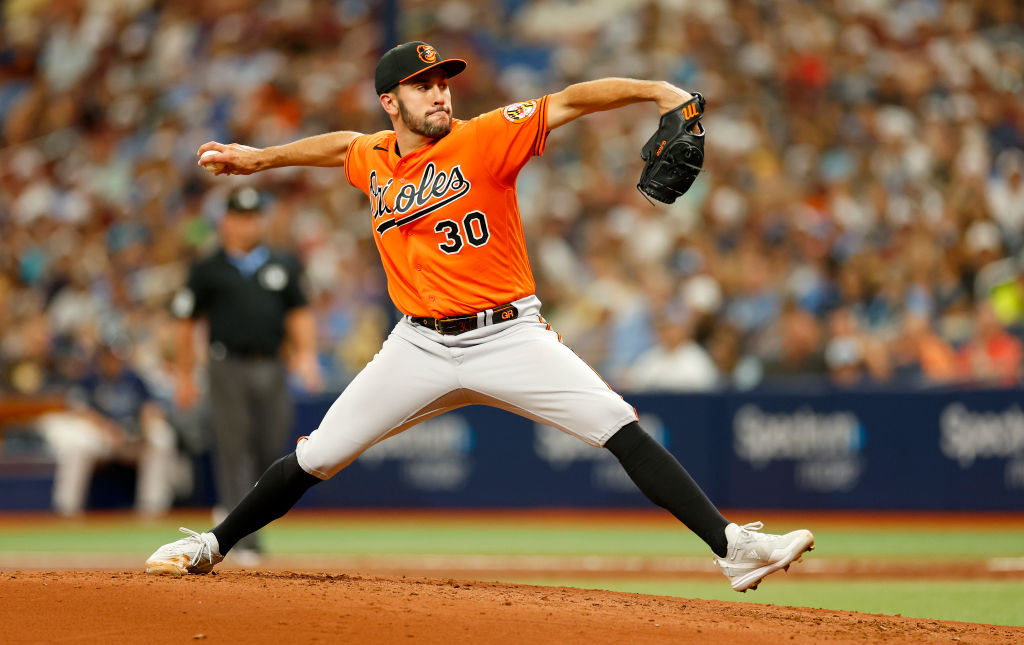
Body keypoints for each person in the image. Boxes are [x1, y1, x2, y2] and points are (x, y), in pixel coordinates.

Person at [146, 41, 814, 592]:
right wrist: (260, 158)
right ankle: (213, 543)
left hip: (510, 334)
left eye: (443, 82)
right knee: (318, 453)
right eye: (421, 84)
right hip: (418, 346)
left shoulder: (488, 136)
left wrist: (657, 89)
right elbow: (340, 144)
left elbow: (574, 99)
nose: (440, 93)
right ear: (391, 102)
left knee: (619, 425)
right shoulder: (374, 156)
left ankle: (733, 547)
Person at [169, 185, 322, 561]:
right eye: (241, 216)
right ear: (226, 221)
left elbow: (298, 313)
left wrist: (307, 356)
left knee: (271, 446)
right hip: (227, 366)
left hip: (272, 364)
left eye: (255, 216)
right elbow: (185, 323)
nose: (249, 224)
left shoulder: (282, 264)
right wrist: (185, 376)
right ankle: (243, 539)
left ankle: (241, 522)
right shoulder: (207, 268)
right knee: (234, 449)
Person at [37, 336, 177, 516]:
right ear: (102, 357)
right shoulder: (90, 379)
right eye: (110, 355)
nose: (114, 360)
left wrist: (145, 423)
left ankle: (152, 509)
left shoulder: (134, 379)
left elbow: (151, 407)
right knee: (78, 445)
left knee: (162, 438)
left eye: (117, 356)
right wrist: (106, 428)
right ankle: (67, 510)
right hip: (102, 438)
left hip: (131, 438)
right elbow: (80, 409)